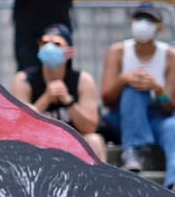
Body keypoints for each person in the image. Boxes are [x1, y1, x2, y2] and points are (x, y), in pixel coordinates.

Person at [99, 2, 175, 184]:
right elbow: (107, 99)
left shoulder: (172, 56)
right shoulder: (117, 52)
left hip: (157, 117)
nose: (143, 24)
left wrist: (157, 88)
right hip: (123, 117)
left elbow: (170, 106)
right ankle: (133, 148)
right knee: (134, 88)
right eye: (139, 19)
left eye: (149, 20)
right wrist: (124, 79)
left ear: (159, 28)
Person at [10, 24, 106, 160]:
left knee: (94, 140)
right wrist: (45, 99)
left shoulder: (83, 80)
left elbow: (90, 128)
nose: (49, 47)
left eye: (56, 44)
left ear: (70, 52)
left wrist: (68, 101)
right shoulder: (24, 80)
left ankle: (100, 181)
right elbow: (17, 126)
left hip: (73, 143)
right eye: (44, 42)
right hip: (37, 143)